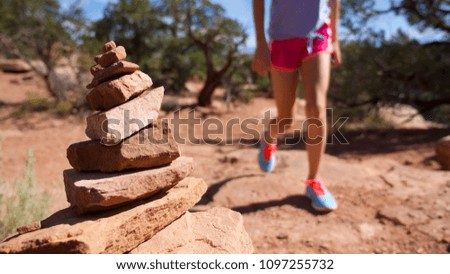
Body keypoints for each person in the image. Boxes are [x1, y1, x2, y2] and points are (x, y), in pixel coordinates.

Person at [252, 0, 342, 212]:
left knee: (316, 108)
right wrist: (260, 43)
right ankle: (269, 137)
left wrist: (336, 40)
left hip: (318, 34)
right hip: (281, 38)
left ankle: (313, 181)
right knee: (285, 120)